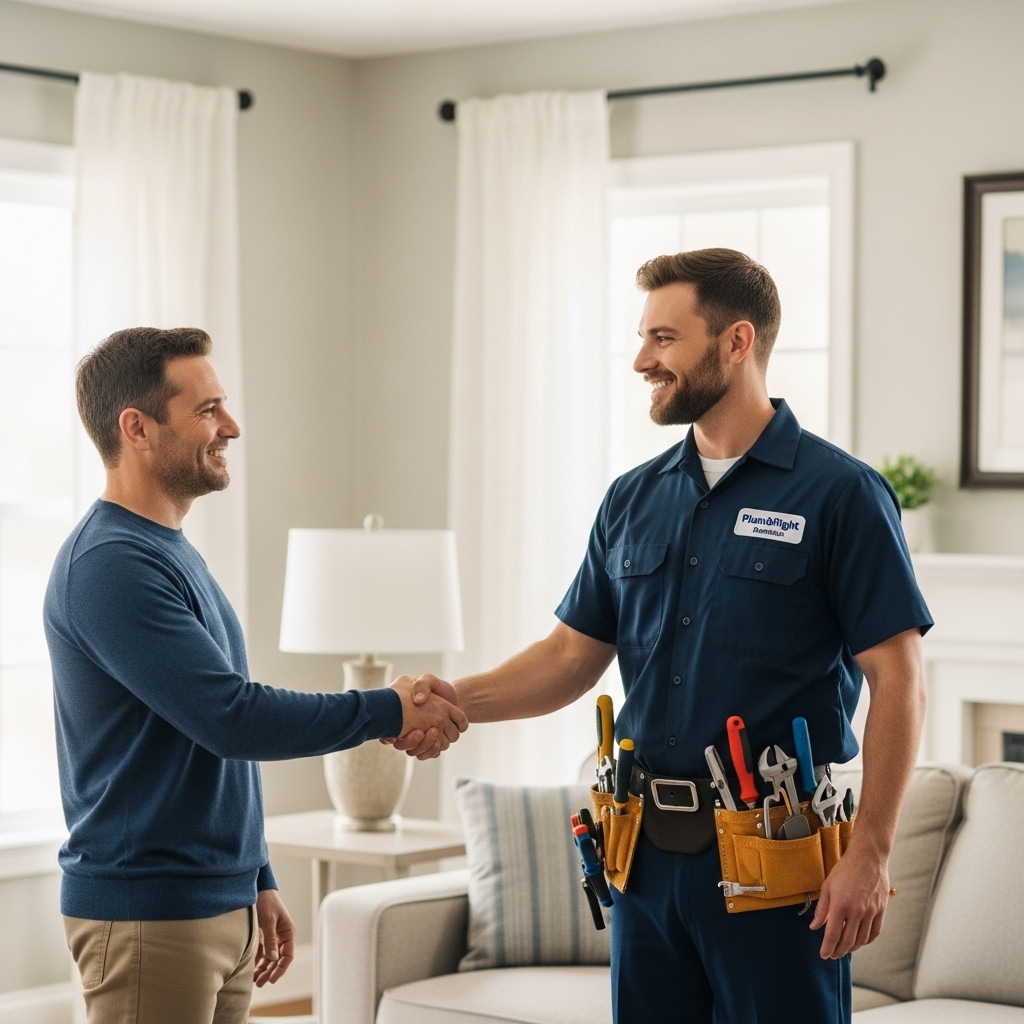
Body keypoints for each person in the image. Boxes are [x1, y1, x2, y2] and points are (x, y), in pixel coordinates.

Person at [396, 249, 931, 1023]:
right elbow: (570, 657)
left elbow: (901, 678)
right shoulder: (633, 498)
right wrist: (452, 700)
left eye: (664, 339)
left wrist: (871, 851)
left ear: (736, 342)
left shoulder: (841, 494)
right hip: (645, 859)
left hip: (773, 859)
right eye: (643, 339)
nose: (643, 360)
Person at [45, 327, 467, 1024]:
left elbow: (204, 746)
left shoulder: (168, 552)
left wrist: (256, 878)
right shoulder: (110, 565)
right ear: (137, 428)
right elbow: (231, 717)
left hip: (216, 904)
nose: (230, 426)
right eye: (207, 410)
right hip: (151, 913)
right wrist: (389, 709)